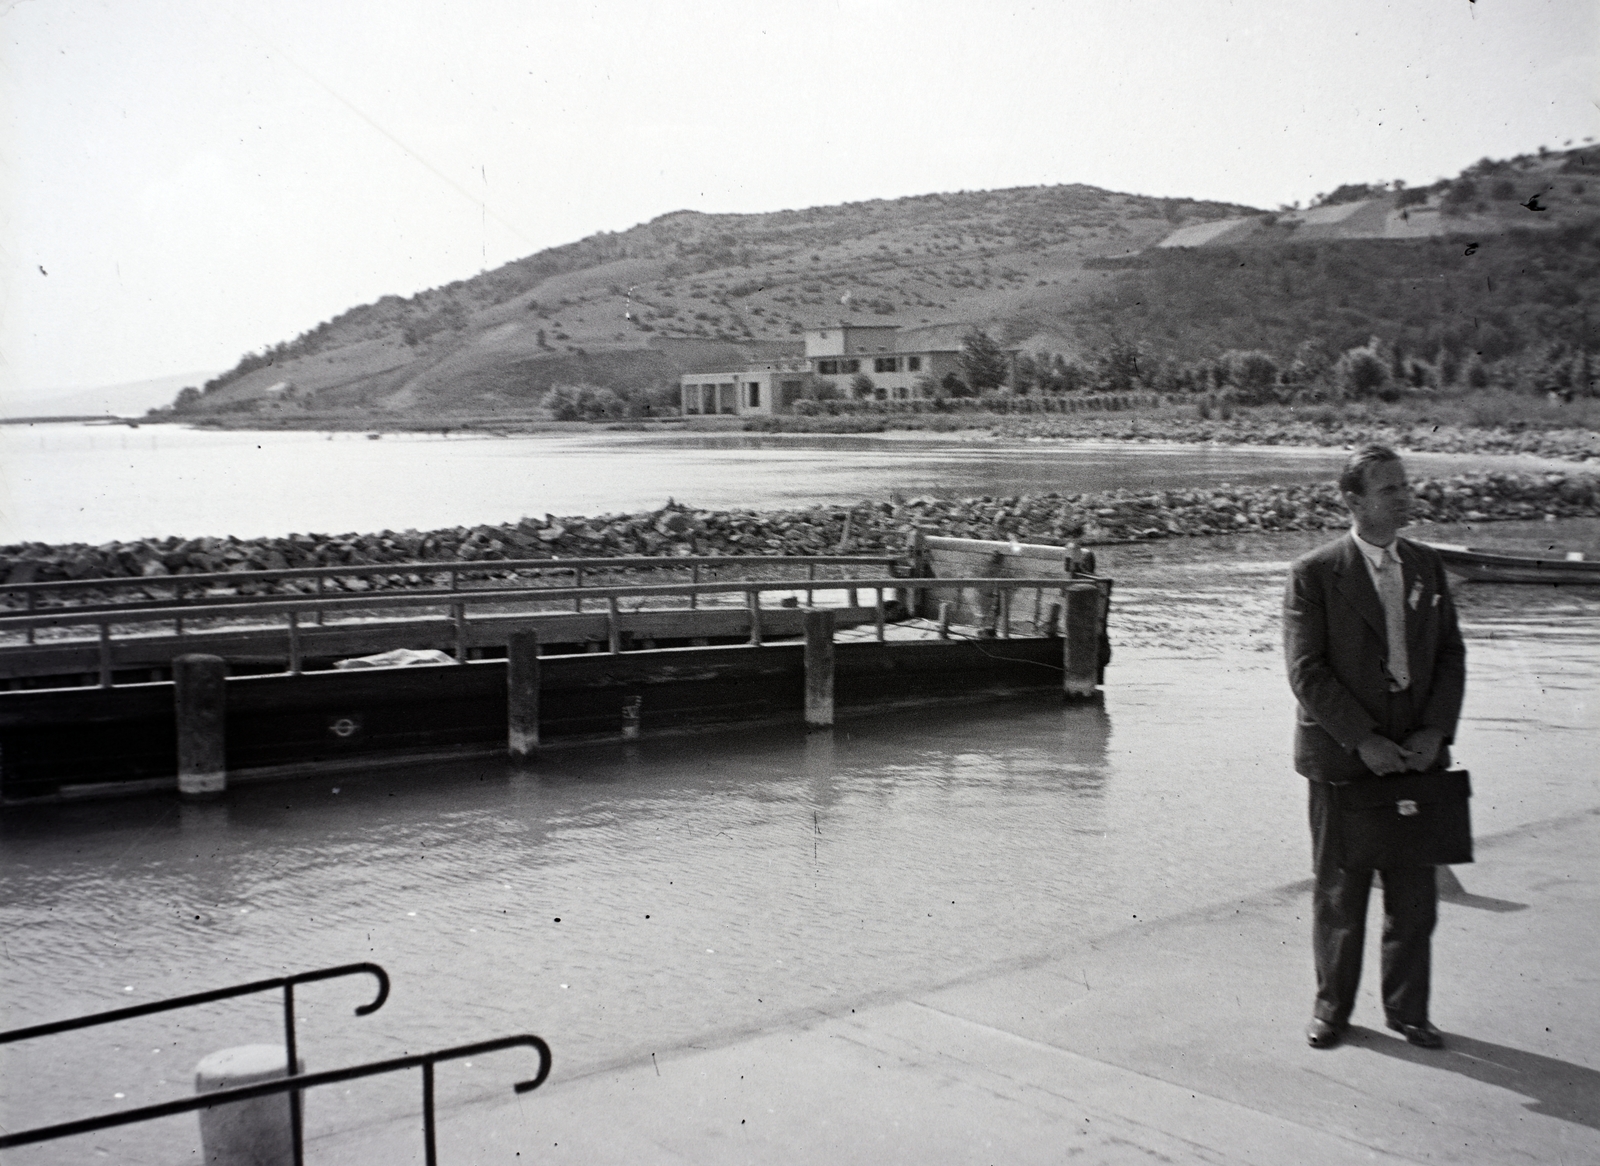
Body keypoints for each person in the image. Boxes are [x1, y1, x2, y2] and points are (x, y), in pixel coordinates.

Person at [1282, 444, 1466, 1050]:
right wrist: (1363, 741)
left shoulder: (1427, 568)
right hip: (1344, 761)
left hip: (1416, 758)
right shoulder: (1315, 573)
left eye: (1405, 485)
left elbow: (1449, 655)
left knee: (1415, 896)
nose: (1404, 496)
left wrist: (1434, 731)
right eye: (1389, 489)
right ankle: (1332, 1011)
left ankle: (1409, 1012)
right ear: (1353, 500)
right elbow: (1307, 671)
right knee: (1341, 893)